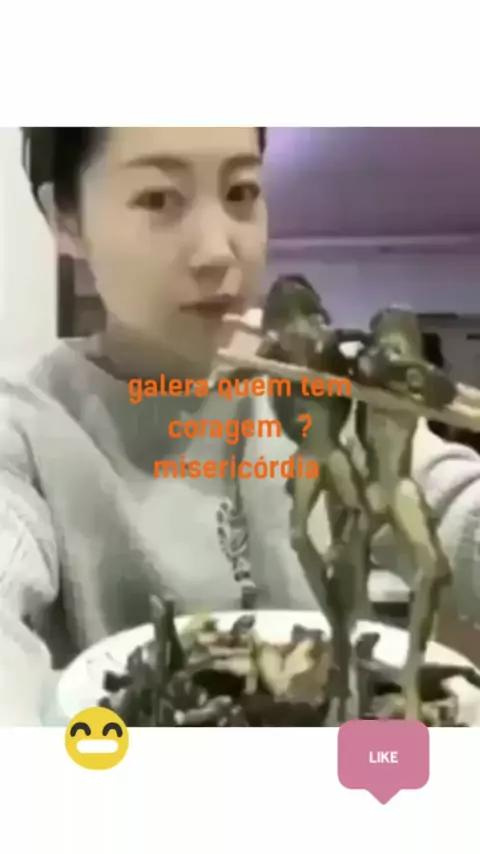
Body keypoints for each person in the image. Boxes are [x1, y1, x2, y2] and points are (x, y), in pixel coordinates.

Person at [1, 127, 480, 725]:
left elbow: (452, 502)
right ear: (65, 218)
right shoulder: (24, 428)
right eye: (158, 199)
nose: (218, 252)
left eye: (241, 192)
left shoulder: (319, 392)